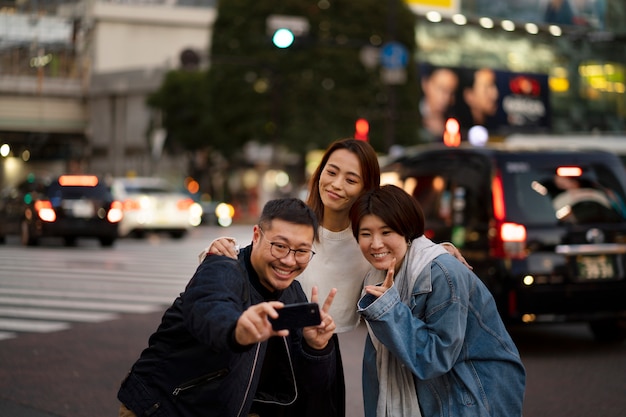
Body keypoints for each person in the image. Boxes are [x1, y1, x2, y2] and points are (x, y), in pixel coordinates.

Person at [203, 138, 471, 416]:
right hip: (265, 347)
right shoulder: (297, 223)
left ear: (365, 189)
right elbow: (255, 257)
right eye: (331, 172)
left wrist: (438, 251)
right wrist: (220, 249)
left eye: (351, 179)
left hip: (320, 352)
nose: (336, 185)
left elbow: (407, 250)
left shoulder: (368, 242)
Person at [117, 198, 339, 417]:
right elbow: (210, 308)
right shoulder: (222, 267)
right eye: (280, 246)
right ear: (256, 235)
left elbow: (308, 387)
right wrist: (238, 329)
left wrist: (316, 348)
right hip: (162, 408)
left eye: (301, 251)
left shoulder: (293, 293)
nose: (289, 261)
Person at [350, 184, 526, 417]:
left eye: (386, 232)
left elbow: (434, 358)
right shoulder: (376, 277)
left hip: (471, 397)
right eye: (365, 234)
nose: (375, 243)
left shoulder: (442, 274)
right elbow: (376, 369)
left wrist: (389, 311)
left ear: (407, 230)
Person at [419, 65, 459, 141]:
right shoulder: (410, 114)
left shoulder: (454, 118)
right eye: (441, 89)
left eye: (451, 92)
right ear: (425, 84)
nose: (447, 98)